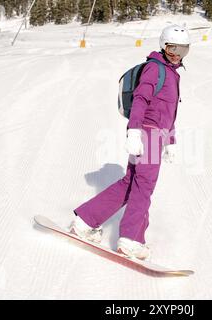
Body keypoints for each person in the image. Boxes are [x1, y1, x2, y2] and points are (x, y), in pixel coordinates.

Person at [70, 25, 190, 260]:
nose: (177, 53)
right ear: (163, 46)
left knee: (131, 183)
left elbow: (166, 112)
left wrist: (171, 141)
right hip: (148, 135)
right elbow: (140, 100)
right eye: (173, 48)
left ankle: (85, 221)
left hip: (154, 135)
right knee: (144, 187)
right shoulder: (155, 69)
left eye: (183, 49)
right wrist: (134, 132)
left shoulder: (171, 72)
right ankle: (131, 239)